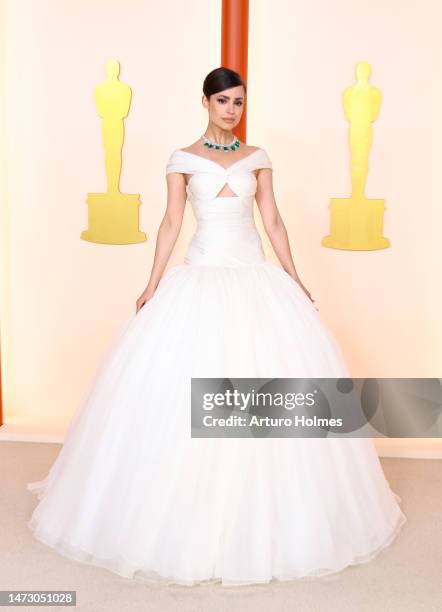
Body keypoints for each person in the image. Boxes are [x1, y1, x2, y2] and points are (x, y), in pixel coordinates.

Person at [27, 67, 406, 587]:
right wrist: (152, 283)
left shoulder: (259, 158)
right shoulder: (182, 159)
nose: (232, 110)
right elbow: (170, 223)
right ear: (205, 102)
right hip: (200, 274)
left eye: (239, 102)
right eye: (223, 100)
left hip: (255, 277)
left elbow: (272, 221)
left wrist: (295, 278)